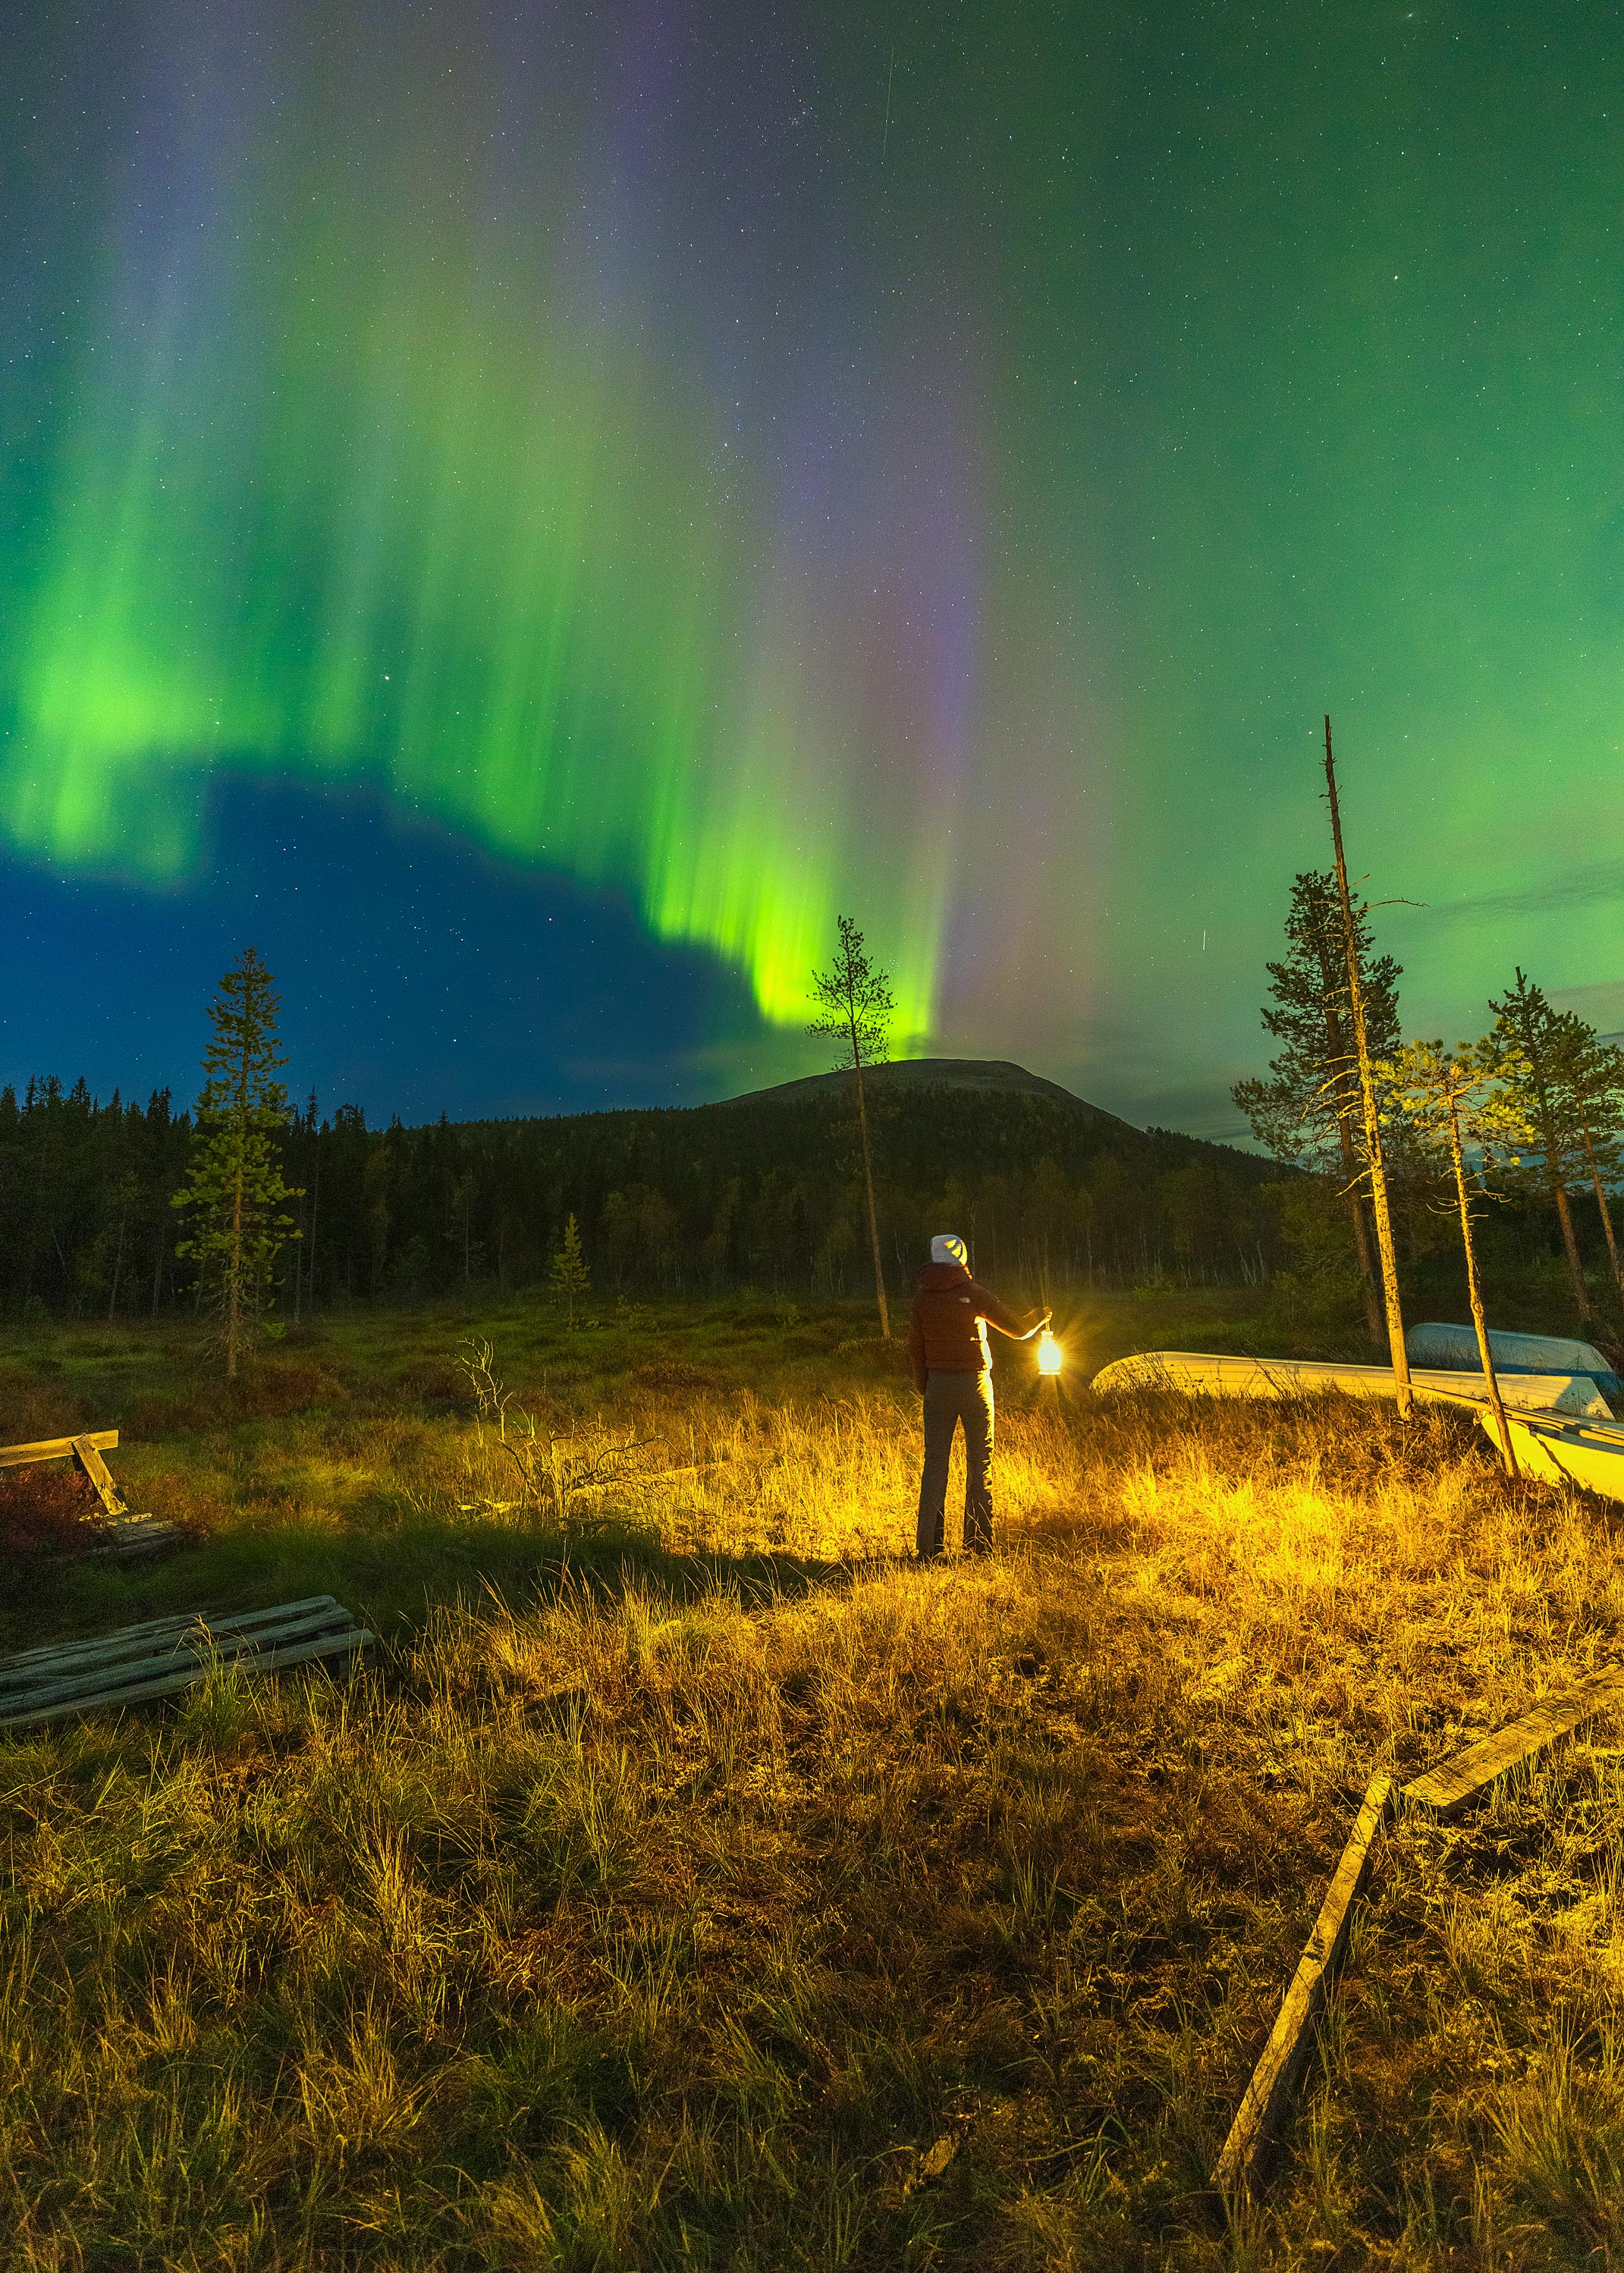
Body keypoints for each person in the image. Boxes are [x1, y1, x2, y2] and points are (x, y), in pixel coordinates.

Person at [906, 1232, 1050, 1559]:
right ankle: (979, 1545)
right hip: (975, 1385)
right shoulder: (975, 1294)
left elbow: (915, 1348)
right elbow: (1017, 1329)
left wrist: (925, 1384)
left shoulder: (921, 1300)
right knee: (979, 1463)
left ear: (933, 1257)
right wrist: (1039, 1315)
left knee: (935, 1464)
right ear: (962, 1259)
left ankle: (929, 1547)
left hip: (938, 1387)